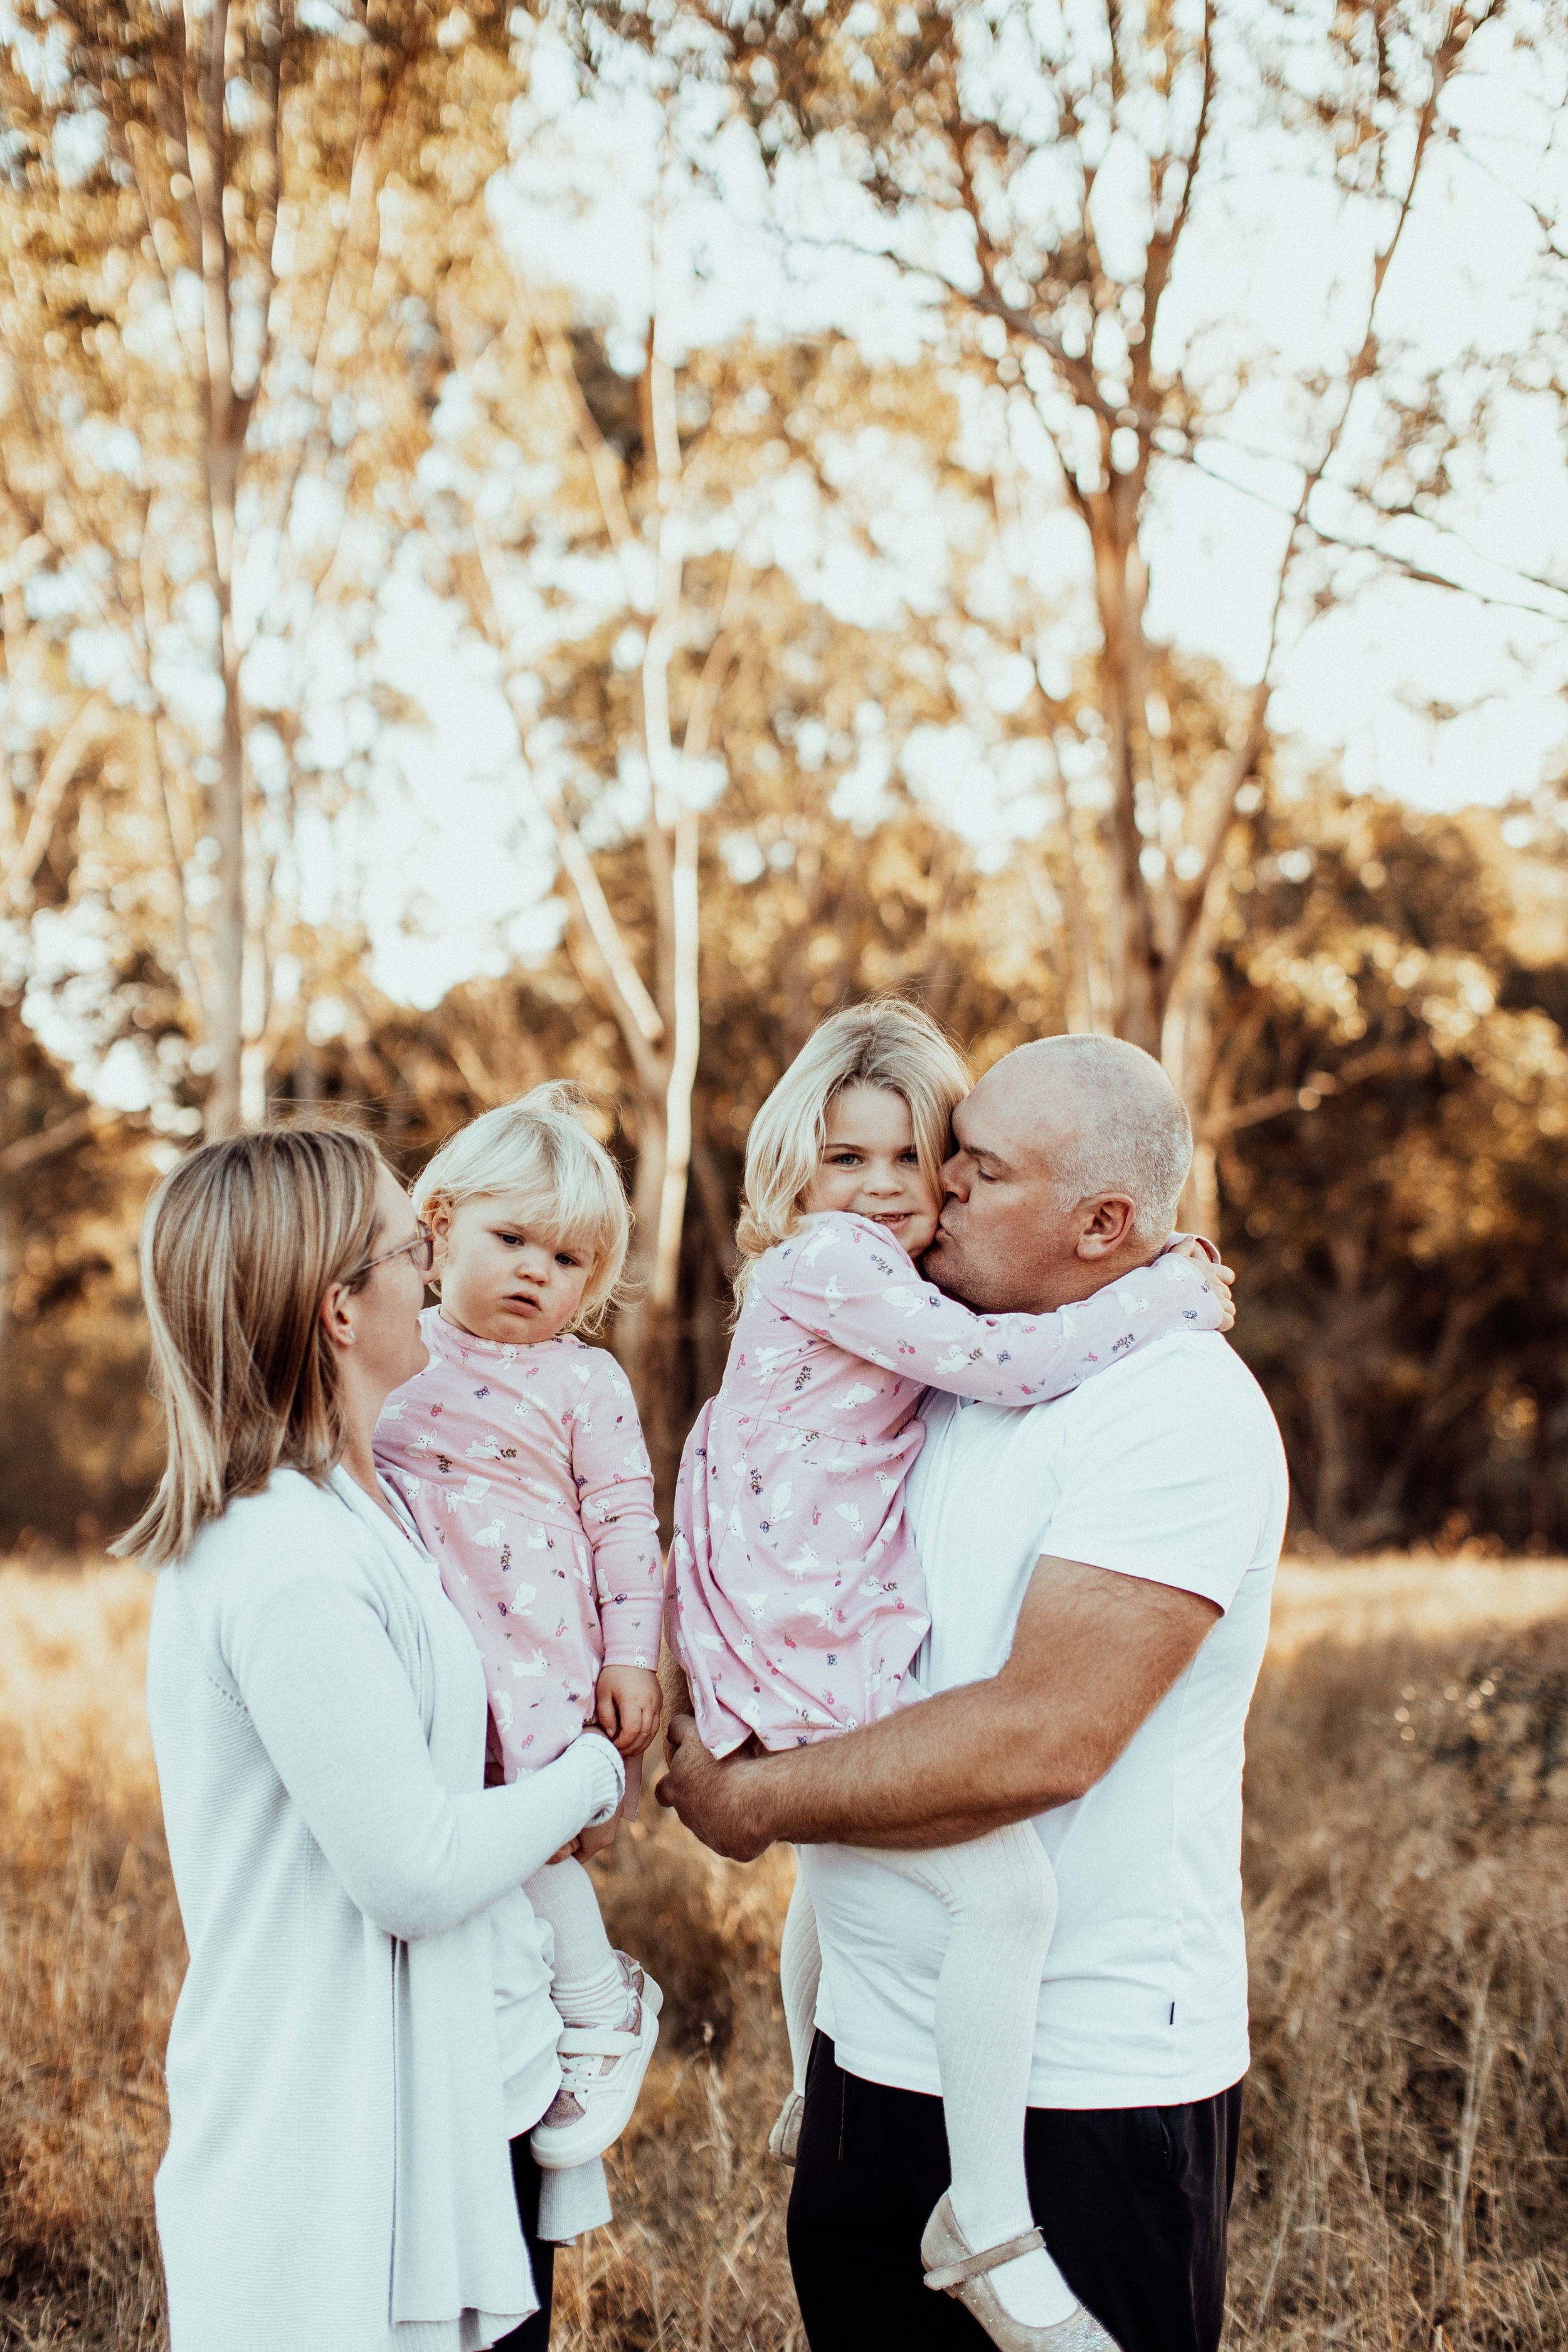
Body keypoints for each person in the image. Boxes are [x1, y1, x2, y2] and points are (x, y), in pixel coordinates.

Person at [659, 1033, 1290, 2352]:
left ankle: (990, 2228)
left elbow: (1043, 1739)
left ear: (1102, 1224)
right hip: (868, 2073)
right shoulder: (936, 1358)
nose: (933, 1187)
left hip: (1079, 2096)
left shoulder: (1172, 1402)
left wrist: (752, 1797)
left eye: (974, 1168)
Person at [122, 1125, 625, 2351]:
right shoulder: (282, 1556)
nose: (433, 1267)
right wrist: (591, 1777)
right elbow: (415, 1868)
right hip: (330, 2149)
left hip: (449, 2103)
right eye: (411, 1249)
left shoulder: (373, 1504)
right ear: (342, 1308)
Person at [375, 1085, 665, 2173]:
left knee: (534, 1836)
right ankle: (492, 2025)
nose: (537, 1272)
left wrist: (633, 1655)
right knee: (448, 1840)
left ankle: (598, 2001)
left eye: (569, 1258)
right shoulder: (399, 1351)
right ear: (439, 1224)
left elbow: (626, 1520)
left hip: (540, 1655)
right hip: (429, 1652)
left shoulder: (584, 1378)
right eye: (512, 1240)